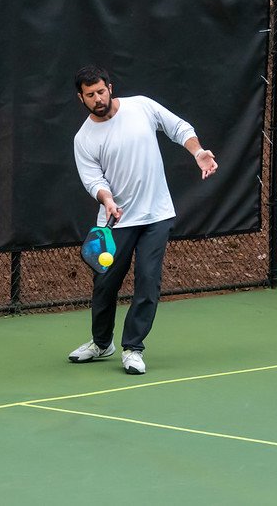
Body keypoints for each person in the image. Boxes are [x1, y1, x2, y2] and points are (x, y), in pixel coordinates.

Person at [68, 65, 218, 375]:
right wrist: (106, 198)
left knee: (148, 282)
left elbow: (179, 128)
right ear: (80, 98)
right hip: (115, 221)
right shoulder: (83, 138)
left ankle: (133, 348)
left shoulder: (142, 107)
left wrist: (198, 151)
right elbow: (92, 178)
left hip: (156, 215)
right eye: (90, 95)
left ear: (110, 87)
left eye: (100, 91)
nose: (98, 98)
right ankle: (101, 343)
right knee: (104, 285)